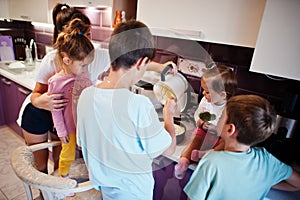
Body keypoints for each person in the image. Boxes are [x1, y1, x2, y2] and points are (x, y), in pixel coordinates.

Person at [76, 20, 177, 200]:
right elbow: (169, 149)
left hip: (106, 191)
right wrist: (169, 113)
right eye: (146, 66)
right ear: (141, 63)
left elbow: (82, 143)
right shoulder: (138, 104)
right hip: (135, 194)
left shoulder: (85, 96)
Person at [184, 94, 300, 200]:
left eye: (221, 117)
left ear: (230, 129)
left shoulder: (211, 161)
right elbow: (297, 184)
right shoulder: (267, 161)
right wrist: (266, 180)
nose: (218, 119)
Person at [48, 18, 94, 182]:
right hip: (69, 128)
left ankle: (92, 178)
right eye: (83, 65)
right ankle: (64, 179)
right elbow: (56, 110)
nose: (85, 69)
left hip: (86, 125)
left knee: (89, 152)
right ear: (67, 60)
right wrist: (61, 132)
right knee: (67, 154)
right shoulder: (56, 82)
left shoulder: (83, 73)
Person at [174, 65, 237, 179]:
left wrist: (216, 129)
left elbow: (228, 131)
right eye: (203, 90)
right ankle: (184, 160)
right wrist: (201, 122)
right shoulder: (205, 101)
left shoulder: (230, 108)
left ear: (223, 95)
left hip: (219, 138)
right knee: (196, 140)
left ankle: (206, 154)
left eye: (207, 91)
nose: (203, 93)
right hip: (204, 132)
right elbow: (197, 115)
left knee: (225, 144)